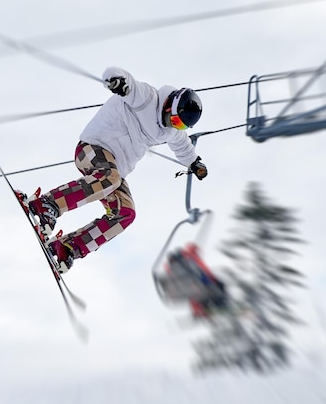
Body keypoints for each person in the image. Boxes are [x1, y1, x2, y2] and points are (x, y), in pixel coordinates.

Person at [22, 67, 208, 273]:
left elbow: (183, 146)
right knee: (109, 178)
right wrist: (118, 81)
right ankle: (46, 205)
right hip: (92, 148)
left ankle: (69, 247)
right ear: (168, 106)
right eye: (174, 120)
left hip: (114, 171)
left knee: (126, 213)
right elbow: (125, 80)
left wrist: (195, 163)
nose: (173, 126)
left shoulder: (171, 132)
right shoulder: (147, 98)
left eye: (179, 126)